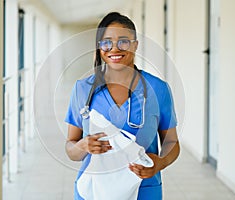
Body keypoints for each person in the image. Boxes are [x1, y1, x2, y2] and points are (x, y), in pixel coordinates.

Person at [65, 12, 180, 200]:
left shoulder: (158, 90)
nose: (114, 48)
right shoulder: (82, 90)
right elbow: (71, 148)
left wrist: (160, 163)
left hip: (145, 189)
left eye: (123, 41)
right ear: (99, 47)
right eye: (106, 42)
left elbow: (172, 142)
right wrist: (83, 146)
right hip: (93, 191)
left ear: (135, 45)